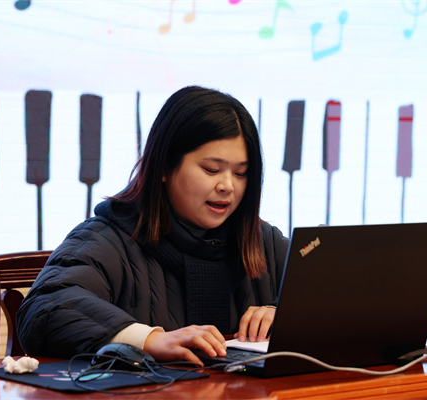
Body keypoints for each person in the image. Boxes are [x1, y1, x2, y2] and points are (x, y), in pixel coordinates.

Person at [17, 86, 289, 365]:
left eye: (241, 173)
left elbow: (320, 298)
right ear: (163, 167)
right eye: (211, 170)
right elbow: (44, 308)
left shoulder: (264, 242)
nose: (228, 186)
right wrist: (148, 340)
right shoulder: (108, 239)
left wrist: (287, 316)